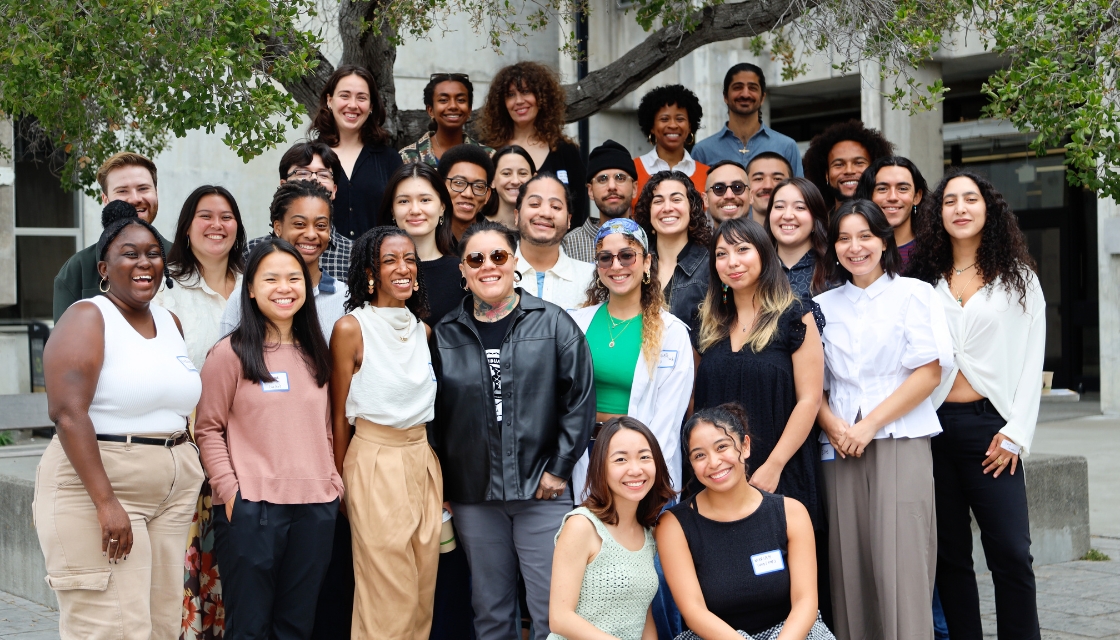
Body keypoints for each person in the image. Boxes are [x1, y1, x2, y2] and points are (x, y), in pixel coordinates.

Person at [36, 201, 204, 640]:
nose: (144, 261)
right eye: (129, 253)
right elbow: (67, 413)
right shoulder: (89, 316)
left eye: (152, 252)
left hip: (169, 491)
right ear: (104, 268)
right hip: (101, 487)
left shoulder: (170, 322)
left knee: (162, 625)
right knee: (112, 629)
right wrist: (105, 502)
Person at [430, 220, 596, 640]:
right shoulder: (444, 334)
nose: (489, 266)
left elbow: (579, 400)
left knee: (550, 612)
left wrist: (558, 468)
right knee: (490, 611)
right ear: (463, 271)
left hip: (542, 491)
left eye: (498, 256)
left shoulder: (554, 323)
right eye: (476, 259)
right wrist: (443, 482)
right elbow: (432, 416)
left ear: (515, 261)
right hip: (474, 495)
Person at [908, 170, 1045, 640]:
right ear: (937, 213)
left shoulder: (1018, 279)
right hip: (934, 428)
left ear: (988, 208)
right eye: (950, 201)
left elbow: (1032, 363)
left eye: (971, 199)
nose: (960, 208)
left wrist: (1016, 433)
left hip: (994, 430)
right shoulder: (921, 281)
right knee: (949, 558)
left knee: (1010, 553)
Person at [813, 199, 953, 640]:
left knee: (903, 569)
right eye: (844, 238)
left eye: (865, 236)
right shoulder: (820, 305)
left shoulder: (915, 294)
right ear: (833, 246)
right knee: (849, 569)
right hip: (839, 446)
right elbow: (810, 384)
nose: (855, 247)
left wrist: (869, 425)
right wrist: (835, 426)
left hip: (900, 439)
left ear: (884, 239)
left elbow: (928, 372)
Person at [196, 238, 342, 640]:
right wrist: (229, 492)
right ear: (251, 289)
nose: (285, 288)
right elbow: (208, 427)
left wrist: (332, 482)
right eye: (271, 278)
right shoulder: (230, 353)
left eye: (294, 278)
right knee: (250, 628)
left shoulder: (318, 353)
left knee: (297, 626)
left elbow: (326, 425)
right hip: (252, 509)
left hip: (316, 507)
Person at [330, 227, 443, 639]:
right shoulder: (351, 328)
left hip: (421, 460)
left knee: (420, 589)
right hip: (374, 459)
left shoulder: (422, 331)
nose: (403, 268)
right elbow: (338, 414)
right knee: (387, 592)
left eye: (410, 259)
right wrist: (343, 479)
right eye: (390, 260)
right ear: (370, 272)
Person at [657, 405, 834, 640]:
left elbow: (806, 602)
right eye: (699, 455)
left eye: (722, 447)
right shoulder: (674, 524)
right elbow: (693, 611)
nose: (713, 462)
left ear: (745, 446)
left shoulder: (791, 513)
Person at [156, 185, 245, 640]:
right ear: (186, 226)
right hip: (188, 449)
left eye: (226, 216)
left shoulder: (257, 281)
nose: (217, 225)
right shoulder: (165, 288)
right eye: (205, 216)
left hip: (249, 448)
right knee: (190, 571)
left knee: (242, 574)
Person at [694, 216, 824, 521]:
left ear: (764, 254)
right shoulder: (707, 324)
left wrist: (774, 465)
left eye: (742, 250)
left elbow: (810, 400)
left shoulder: (795, 315)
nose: (732, 262)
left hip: (780, 469)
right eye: (722, 254)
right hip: (717, 472)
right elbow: (694, 402)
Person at [569, 218, 693, 500]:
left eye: (627, 255)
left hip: (644, 465)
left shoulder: (671, 332)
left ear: (647, 262)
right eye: (605, 258)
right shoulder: (576, 323)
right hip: (587, 456)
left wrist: (642, 471)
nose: (616, 265)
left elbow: (669, 420)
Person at [547, 417, 675, 640]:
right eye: (621, 459)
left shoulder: (648, 533)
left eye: (645, 457)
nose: (635, 469)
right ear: (600, 467)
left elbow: (643, 619)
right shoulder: (582, 525)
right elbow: (560, 618)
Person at [220, 181, 349, 342]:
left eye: (321, 225)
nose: (311, 234)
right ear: (278, 227)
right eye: (299, 224)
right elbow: (226, 358)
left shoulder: (344, 298)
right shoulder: (244, 297)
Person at [53, 152, 168, 322]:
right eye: (122, 191)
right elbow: (62, 345)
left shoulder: (184, 258)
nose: (135, 199)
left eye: (143, 188)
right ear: (106, 200)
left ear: (156, 193)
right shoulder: (77, 270)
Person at [479, 61, 589, 228]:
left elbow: (579, 210)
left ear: (542, 97)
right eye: (510, 95)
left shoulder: (565, 151)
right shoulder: (488, 150)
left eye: (526, 92)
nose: (519, 101)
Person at [309, 64, 403, 241]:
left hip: (376, 263)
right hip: (320, 263)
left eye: (361, 98)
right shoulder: (308, 157)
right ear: (329, 100)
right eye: (344, 96)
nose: (352, 105)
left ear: (371, 106)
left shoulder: (390, 159)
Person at [246, 141, 354, 280]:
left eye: (324, 174)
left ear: (334, 190)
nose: (314, 179)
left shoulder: (354, 254)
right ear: (283, 185)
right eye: (302, 172)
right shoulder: (251, 251)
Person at [378, 162, 466, 325]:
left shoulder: (463, 272)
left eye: (425, 200)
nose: (415, 210)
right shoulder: (375, 270)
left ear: (442, 207)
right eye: (404, 201)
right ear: (392, 210)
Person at [632, 170, 713, 341]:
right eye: (658, 201)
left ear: (692, 208)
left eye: (676, 199)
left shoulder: (712, 265)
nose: (667, 208)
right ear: (649, 211)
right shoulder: (633, 263)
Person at [691, 63, 804, 177]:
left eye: (752, 88)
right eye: (738, 87)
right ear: (725, 96)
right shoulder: (703, 151)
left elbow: (798, 193)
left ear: (762, 98)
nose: (745, 94)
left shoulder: (786, 147)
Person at [513, 172, 596, 312]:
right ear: (516, 216)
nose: (545, 213)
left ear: (569, 220)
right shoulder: (494, 273)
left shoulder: (591, 278)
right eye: (534, 204)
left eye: (556, 207)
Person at [563, 139, 638, 263]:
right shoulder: (569, 244)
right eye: (602, 179)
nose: (612, 186)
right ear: (590, 190)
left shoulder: (649, 238)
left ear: (634, 188)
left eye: (620, 178)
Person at [633, 85, 709, 201]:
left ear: (689, 126)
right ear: (651, 126)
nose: (673, 125)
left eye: (680, 119)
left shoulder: (707, 175)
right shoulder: (632, 170)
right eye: (664, 119)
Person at [400, 72, 494, 166]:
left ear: (469, 110)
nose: (453, 106)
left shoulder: (488, 157)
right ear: (430, 110)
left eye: (460, 100)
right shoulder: (408, 157)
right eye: (443, 100)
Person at [801, 120, 894, 212]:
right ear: (826, 175)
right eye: (839, 164)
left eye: (859, 163)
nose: (849, 171)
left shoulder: (890, 221)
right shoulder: (816, 225)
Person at [765, 178, 832, 300]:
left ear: (815, 219)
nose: (787, 216)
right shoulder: (756, 268)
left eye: (800, 207)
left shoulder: (834, 270)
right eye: (779, 206)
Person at [855, 155, 928, 269]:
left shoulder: (934, 251)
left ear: (917, 197)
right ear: (869, 196)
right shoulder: (855, 252)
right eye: (882, 188)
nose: (892, 197)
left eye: (902, 188)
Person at [437, 143, 496, 242]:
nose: (468, 194)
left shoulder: (498, 239)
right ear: (441, 186)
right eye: (459, 183)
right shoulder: (427, 237)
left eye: (478, 186)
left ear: (487, 195)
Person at [490, 145, 537, 230]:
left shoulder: (542, 228)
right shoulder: (477, 227)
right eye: (506, 173)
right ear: (492, 180)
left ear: (534, 179)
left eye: (522, 173)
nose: (515, 181)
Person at [747, 151, 794, 225]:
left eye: (777, 179)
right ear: (746, 186)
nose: (768, 186)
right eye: (758, 179)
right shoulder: (732, 235)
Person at [703, 159, 751, 229]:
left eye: (738, 187)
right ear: (705, 199)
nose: (729, 195)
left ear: (751, 196)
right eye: (719, 188)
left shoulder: (767, 239)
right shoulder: (693, 240)